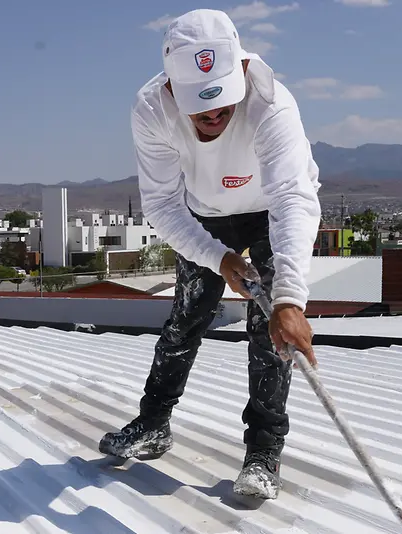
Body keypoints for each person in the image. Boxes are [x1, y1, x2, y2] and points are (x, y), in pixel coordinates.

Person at [97, 8, 322, 500]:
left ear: (241, 71)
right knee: (184, 320)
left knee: (269, 336)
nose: (213, 115)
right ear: (172, 88)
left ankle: (263, 453)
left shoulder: (272, 104)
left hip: (269, 210)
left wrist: (288, 299)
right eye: (199, 105)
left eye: (221, 102)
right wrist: (216, 257)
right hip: (203, 213)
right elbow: (160, 203)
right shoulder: (150, 109)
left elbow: (292, 199)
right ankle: (153, 424)